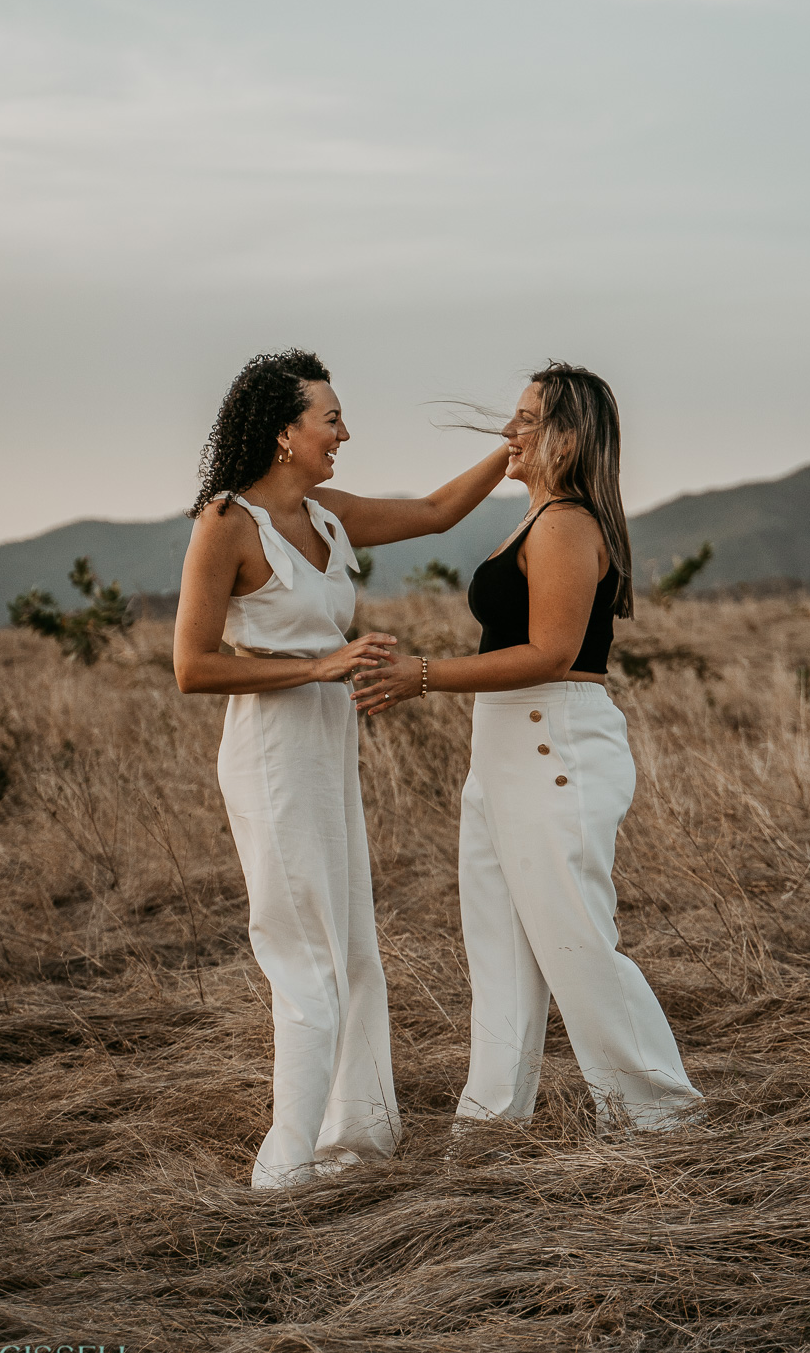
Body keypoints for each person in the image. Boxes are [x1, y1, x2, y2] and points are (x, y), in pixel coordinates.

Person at [173, 348, 510, 1188]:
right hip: (272, 757)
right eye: (331, 418)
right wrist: (316, 666)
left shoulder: (325, 515)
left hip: (331, 754)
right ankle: (284, 1168)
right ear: (286, 432)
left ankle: (353, 1141)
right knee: (304, 957)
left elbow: (435, 512)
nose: (344, 433)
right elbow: (192, 666)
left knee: (353, 948)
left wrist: (515, 447)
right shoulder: (225, 523)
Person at [353, 362, 701, 1137]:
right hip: (505, 749)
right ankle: (491, 1128)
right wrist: (511, 451)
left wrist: (425, 675)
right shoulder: (535, 515)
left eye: (526, 418)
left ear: (569, 436)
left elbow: (551, 651)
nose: (509, 430)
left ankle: (664, 1122)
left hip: (554, 743)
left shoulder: (568, 522)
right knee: (502, 956)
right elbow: (444, 510)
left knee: (576, 944)